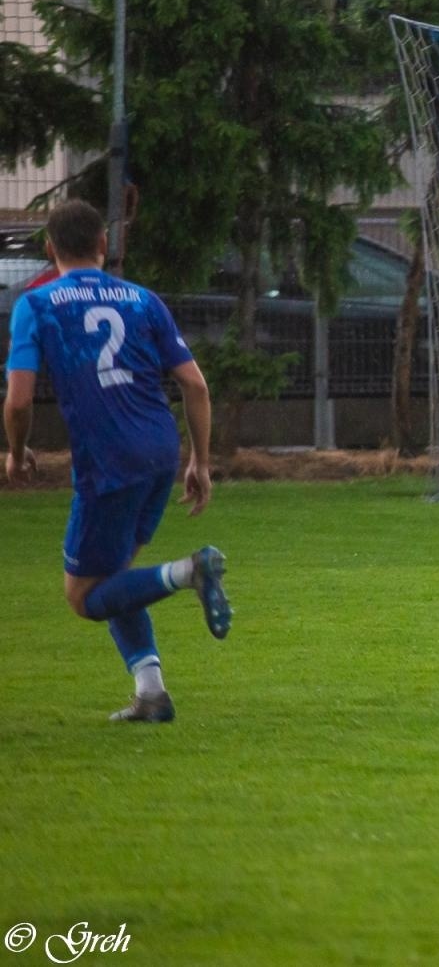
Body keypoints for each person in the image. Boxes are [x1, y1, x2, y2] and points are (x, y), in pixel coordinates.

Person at [4, 199, 233, 724]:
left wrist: (16, 455)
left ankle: (188, 572)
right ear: (104, 245)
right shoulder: (142, 300)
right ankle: (151, 693)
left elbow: (17, 402)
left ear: (49, 249)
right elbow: (194, 384)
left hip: (109, 461)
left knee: (84, 596)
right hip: (159, 448)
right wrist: (200, 460)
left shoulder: (37, 305)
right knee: (114, 576)